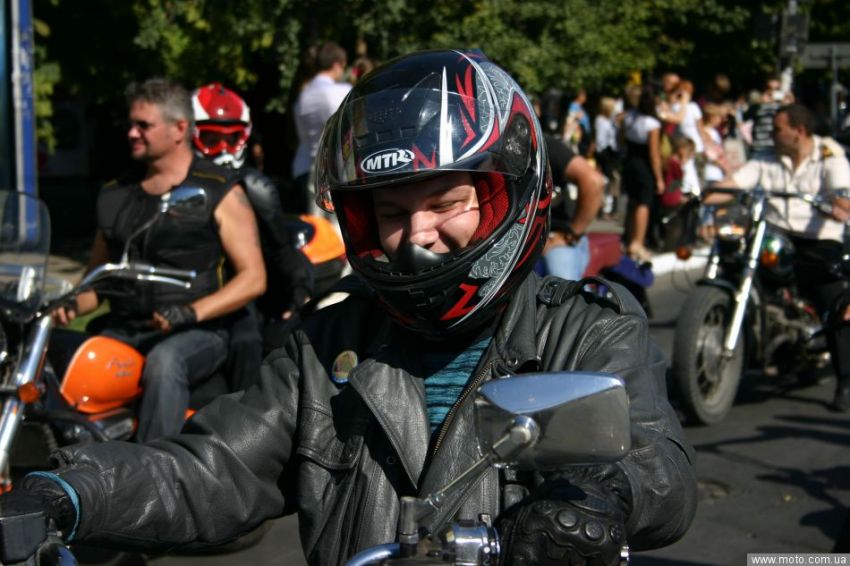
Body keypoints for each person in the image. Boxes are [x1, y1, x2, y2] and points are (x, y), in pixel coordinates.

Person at [3, 51, 696, 566]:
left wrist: (604, 495)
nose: (417, 233)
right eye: (391, 212)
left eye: (446, 202)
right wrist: (68, 493)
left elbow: (658, 466)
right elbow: (214, 468)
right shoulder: (326, 345)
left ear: (509, 196)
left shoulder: (584, 329)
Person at [52, 78, 267, 441]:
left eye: (144, 125)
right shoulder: (115, 195)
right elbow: (97, 281)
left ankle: (154, 467)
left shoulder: (217, 189)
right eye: (131, 124)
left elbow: (253, 278)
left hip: (200, 331)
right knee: (67, 357)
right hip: (125, 326)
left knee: (165, 364)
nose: (132, 133)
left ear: (179, 128)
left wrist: (190, 312)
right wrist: (67, 305)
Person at [713, 104, 850, 411]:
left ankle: (846, 380)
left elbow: (842, 192)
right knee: (733, 263)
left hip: (818, 239)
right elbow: (735, 184)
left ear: (798, 131)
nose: (771, 134)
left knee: (834, 299)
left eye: (777, 129)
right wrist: (703, 193)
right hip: (776, 237)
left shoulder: (830, 157)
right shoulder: (766, 158)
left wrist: (841, 203)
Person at [192, 82, 314, 323]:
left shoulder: (255, 191)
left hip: (240, 310)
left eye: (231, 138)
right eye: (211, 139)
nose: (223, 150)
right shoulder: (168, 186)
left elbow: (281, 251)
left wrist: (299, 291)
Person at [291, 41, 352, 215]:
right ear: (338, 64)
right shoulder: (342, 91)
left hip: (305, 167)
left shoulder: (303, 96)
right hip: (335, 170)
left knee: (315, 226)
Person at [543, 134, 605, 280]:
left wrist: (570, 235)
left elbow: (594, 182)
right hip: (523, 241)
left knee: (561, 288)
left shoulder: (539, 143)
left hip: (557, 239)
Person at [621, 84, 664, 261]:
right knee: (643, 204)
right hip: (644, 165)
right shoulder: (651, 124)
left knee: (632, 202)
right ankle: (637, 243)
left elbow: (621, 139)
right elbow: (654, 154)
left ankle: (629, 239)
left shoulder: (629, 117)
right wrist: (659, 178)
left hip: (629, 162)